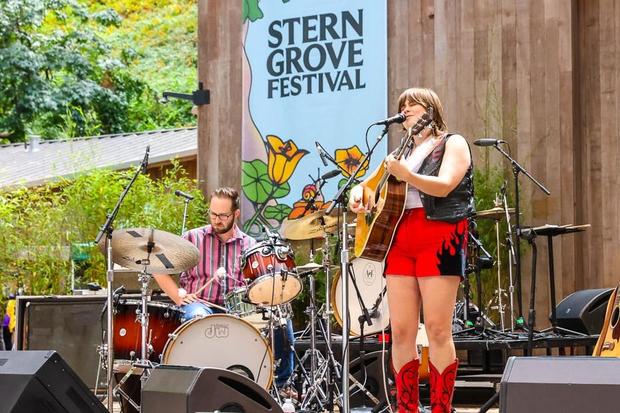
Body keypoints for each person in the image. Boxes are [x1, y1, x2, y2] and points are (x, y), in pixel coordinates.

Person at [349, 88, 474, 413]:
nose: (405, 110)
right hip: (400, 239)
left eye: (413, 105)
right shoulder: (398, 156)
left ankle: (441, 409)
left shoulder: (452, 142)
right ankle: (406, 408)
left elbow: (446, 184)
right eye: (402, 106)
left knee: (435, 328)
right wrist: (359, 195)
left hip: (440, 234)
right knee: (401, 330)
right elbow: (369, 186)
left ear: (431, 109)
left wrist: (409, 176)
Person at [154, 187, 295, 391]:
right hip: (199, 305)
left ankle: (280, 386)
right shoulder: (192, 238)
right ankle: (199, 387)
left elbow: (256, 286)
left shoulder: (249, 244)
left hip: (237, 311)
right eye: (213, 213)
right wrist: (178, 297)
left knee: (280, 321)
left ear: (236, 214)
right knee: (198, 319)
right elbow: (158, 267)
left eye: (223, 215)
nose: (216, 219)